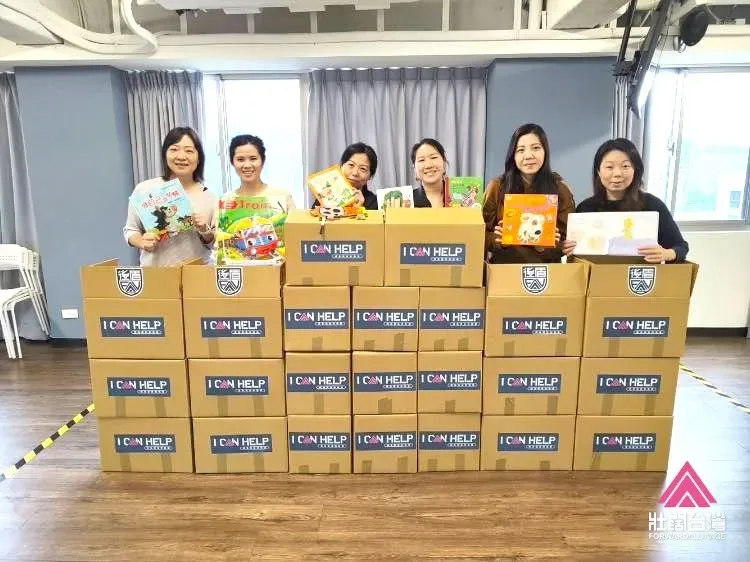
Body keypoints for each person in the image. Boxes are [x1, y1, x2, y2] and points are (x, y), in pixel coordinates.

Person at [563, 138, 689, 263]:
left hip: (638, 274)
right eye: (609, 167)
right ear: (598, 171)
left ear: (635, 170)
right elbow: (574, 257)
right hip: (598, 274)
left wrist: (667, 254)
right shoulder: (586, 208)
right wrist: (568, 248)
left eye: (625, 166)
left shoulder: (652, 205)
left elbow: (681, 247)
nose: (617, 173)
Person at [123, 126, 217, 266]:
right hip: (156, 273)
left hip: (197, 273)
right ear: (165, 154)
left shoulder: (210, 197)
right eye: (174, 149)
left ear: (199, 158)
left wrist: (205, 231)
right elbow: (131, 230)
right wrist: (141, 241)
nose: (181, 156)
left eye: (189, 151)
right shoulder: (145, 189)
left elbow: (215, 244)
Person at [482, 123, 575, 263]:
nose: (528, 156)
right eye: (521, 150)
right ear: (513, 155)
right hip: (503, 269)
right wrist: (498, 240)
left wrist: (546, 245)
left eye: (536, 148)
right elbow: (479, 233)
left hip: (546, 271)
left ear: (545, 151)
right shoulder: (497, 186)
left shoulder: (560, 189)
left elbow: (567, 242)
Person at [228, 134, 296, 211]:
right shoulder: (226, 201)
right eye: (240, 160)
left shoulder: (282, 196)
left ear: (262, 161)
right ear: (232, 162)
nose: (247, 165)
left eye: (253, 159)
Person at [312, 142, 379, 210]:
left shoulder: (375, 204)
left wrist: (359, 209)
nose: (355, 173)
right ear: (341, 166)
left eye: (363, 169)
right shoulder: (325, 197)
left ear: (370, 176)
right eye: (351, 165)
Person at [411, 138, 448, 208]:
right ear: (414, 168)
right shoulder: (407, 202)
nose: (429, 165)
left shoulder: (462, 197)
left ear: (444, 162)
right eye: (421, 160)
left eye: (433, 157)